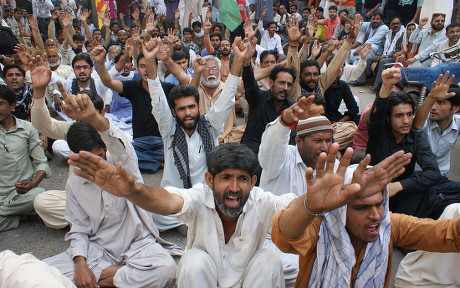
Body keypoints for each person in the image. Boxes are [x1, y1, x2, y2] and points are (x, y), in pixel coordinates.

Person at [67, 140, 296, 288]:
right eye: (226, 177)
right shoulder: (199, 196)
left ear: (253, 182)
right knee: (192, 259)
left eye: (243, 179)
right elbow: (169, 202)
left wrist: (312, 203)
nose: (234, 188)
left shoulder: (261, 200)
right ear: (210, 180)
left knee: (270, 259)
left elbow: (290, 208)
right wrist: (133, 191)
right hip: (203, 280)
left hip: (249, 281)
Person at [272, 141, 460, 287]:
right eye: (361, 208)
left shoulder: (389, 226)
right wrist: (309, 207)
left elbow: (447, 234)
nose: (376, 215)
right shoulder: (322, 228)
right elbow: (284, 236)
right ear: (341, 209)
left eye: (379, 204)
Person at [43, 91, 180, 288]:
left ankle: (106, 279)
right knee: (37, 273)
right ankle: (118, 277)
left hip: (138, 245)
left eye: (99, 155)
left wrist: (94, 118)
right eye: (87, 159)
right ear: (74, 156)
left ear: (105, 150)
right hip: (96, 250)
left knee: (167, 270)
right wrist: (81, 264)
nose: (95, 163)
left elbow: (119, 144)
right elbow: (78, 228)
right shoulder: (74, 183)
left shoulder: (122, 166)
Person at [366, 67, 442, 217]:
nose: (406, 121)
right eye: (399, 115)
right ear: (388, 118)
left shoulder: (416, 138)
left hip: (401, 192)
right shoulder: (378, 132)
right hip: (371, 190)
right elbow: (377, 114)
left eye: (409, 114)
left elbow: (433, 172)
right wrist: (386, 85)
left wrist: (398, 186)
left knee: (422, 189)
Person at [0, 85, 50, 232]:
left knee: (39, 195)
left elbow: (41, 162)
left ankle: (10, 214)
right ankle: (23, 217)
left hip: (22, 194)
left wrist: (32, 183)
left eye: (0, 103)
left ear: (12, 105)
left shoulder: (27, 128)